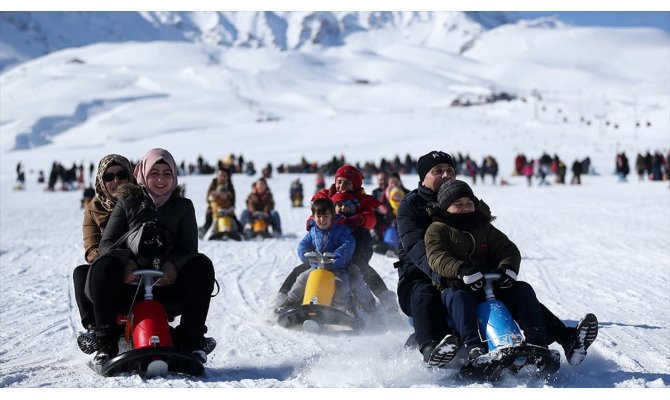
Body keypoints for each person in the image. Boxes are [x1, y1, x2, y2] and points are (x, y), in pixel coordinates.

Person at [396, 150, 598, 368]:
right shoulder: (412, 207)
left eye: (450, 170)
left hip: (473, 274)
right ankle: (432, 349)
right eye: (437, 171)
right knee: (425, 295)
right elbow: (420, 250)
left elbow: (497, 242)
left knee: (520, 293)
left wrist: (504, 269)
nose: (445, 175)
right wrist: (448, 276)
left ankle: (561, 340)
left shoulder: (468, 201)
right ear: (422, 177)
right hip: (423, 275)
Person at [87, 148, 216, 366]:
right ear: (143, 174)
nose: (160, 179)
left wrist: (172, 265)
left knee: (201, 264)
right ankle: (106, 344)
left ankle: (191, 342)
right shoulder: (128, 202)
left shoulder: (183, 206)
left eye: (167, 173)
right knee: (104, 264)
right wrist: (126, 262)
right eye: (154, 172)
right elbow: (106, 243)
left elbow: (189, 249)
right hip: (129, 286)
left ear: (174, 176)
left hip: (167, 286)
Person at [425, 180, 551, 361]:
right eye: (458, 205)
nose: (465, 208)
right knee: (460, 299)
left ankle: (538, 343)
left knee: (522, 290)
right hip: (456, 285)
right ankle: (473, 348)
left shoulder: (482, 226)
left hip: (487, 284)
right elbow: (437, 256)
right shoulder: (437, 228)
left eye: (469, 203)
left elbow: (507, 249)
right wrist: (461, 270)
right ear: (446, 207)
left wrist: (508, 268)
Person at [274, 165, 397, 311]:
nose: (342, 186)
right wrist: (312, 222)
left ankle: (385, 301)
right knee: (304, 269)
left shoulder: (362, 200)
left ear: (355, 185)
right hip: (328, 244)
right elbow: (316, 213)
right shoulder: (327, 196)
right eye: (339, 181)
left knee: (359, 269)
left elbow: (371, 220)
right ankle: (284, 298)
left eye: (347, 183)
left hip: (356, 243)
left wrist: (359, 219)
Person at [74, 154, 136, 344]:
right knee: (81, 273)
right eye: (109, 177)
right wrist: (116, 262)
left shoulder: (141, 200)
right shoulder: (93, 209)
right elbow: (92, 248)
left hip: (139, 268)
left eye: (121, 175)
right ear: (101, 180)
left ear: (130, 176)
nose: (116, 181)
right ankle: (95, 327)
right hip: (109, 269)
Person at [276, 198, 359, 314]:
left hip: (337, 268)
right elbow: (302, 244)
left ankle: (344, 309)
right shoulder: (313, 232)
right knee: (302, 279)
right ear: (313, 217)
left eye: (326, 216)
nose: (322, 220)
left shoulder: (340, 230)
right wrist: (305, 253)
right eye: (319, 216)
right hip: (317, 267)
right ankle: (290, 302)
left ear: (332, 216)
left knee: (341, 284)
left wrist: (339, 255)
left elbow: (349, 242)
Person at [198, 167, 237, 239]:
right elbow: (208, 199)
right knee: (209, 220)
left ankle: (240, 233)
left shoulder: (230, 186)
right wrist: (212, 197)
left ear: (227, 177)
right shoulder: (213, 184)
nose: (222, 177)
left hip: (227, 208)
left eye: (224, 176)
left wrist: (231, 207)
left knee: (234, 220)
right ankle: (202, 233)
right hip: (214, 208)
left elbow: (233, 199)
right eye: (220, 175)